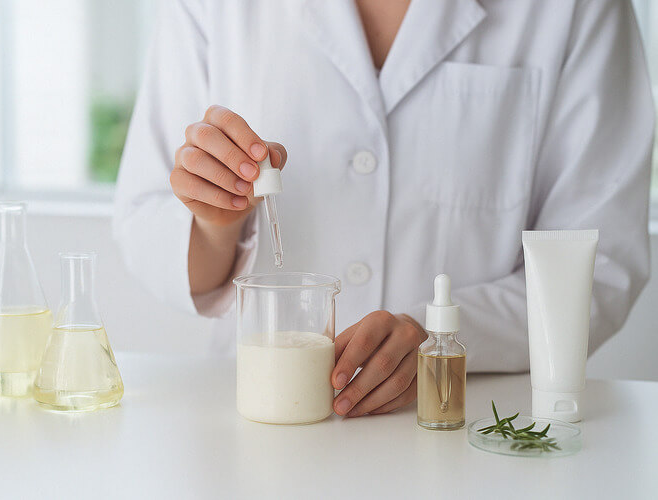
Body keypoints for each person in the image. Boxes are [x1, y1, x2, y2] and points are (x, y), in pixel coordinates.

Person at [114, 0, 654, 417]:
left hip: (468, 422)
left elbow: (601, 262)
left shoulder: (578, 9)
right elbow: (146, 222)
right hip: (264, 419)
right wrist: (216, 224)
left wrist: (443, 336)